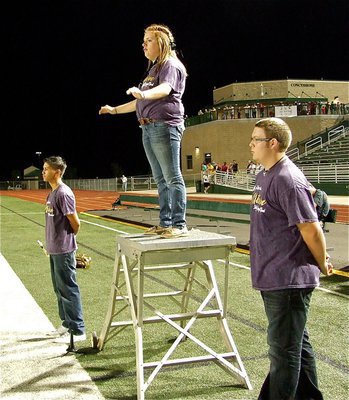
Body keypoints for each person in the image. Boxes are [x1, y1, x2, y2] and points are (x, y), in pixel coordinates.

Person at [249, 118, 333, 400]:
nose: (251, 144)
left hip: (288, 280)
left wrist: (322, 263)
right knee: (297, 343)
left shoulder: (288, 179)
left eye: (256, 139)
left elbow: (311, 228)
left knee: (283, 352)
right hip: (272, 274)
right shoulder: (264, 174)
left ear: (272, 143)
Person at [99, 23, 188, 239]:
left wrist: (143, 95)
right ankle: (165, 223)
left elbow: (165, 89)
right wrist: (114, 110)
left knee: (172, 176)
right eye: (144, 41)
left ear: (162, 42)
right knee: (160, 179)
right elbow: (138, 102)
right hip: (147, 126)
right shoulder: (153, 69)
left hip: (164, 125)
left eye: (148, 40)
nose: (144, 45)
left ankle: (178, 224)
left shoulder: (170, 65)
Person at [43, 156, 86, 343]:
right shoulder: (51, 193)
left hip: (63, 250)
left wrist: (66, 242)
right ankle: (66, 323)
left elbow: (75, 223)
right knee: (59, 289)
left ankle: (78, 329)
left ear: (57, 172)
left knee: (68, 289)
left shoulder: (63, 193)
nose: (43, 171)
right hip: (54, 249)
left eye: (46, 169)